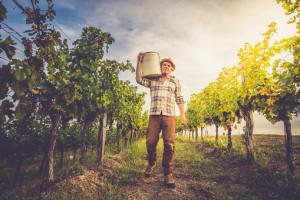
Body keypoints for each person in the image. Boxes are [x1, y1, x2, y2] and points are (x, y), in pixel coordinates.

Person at [136, 52, 187, 188]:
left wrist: (182, 114)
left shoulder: (175, 81)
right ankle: (152, 162)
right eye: (164, 64)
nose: (166, 66)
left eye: (169, 65)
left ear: (171, 69)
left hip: (170, 115)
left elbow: (180, 99)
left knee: (169, 144)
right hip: (154, 115)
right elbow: (139, 79)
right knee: (150, 141)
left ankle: (167, 173)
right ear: (160, 67)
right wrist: (139, 61)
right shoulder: (153, 80)